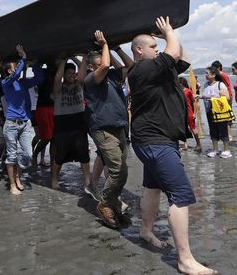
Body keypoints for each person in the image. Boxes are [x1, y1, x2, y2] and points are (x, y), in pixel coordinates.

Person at [128, 16, 215, 275]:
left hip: (153, 140)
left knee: (152, 187)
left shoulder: (159, 70)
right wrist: (167, 33)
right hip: (156, 141)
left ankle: (145, 231)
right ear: (140, 51)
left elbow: (182, 57)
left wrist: (173, 32)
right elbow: (173, 50)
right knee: (181, 196)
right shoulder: (142, 69)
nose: (158, 50)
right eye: (154, 47)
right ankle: (185, 260)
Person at [84, 30, 132, 227]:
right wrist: (104, 44)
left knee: (123, 172)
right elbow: (104, 64)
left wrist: (117, 48)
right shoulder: (90, 80)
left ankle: (113, 204)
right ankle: (105, 204)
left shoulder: (113, 76)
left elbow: (130, 66)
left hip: (120, 127)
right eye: (98, 66)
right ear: (90, 67)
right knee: (116, 169)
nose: (104, 67)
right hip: (102, 129)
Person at [0, 44, 43, 195]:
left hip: (25, 123)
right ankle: (13, 183)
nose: (17, 68)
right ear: (8, 70)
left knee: (27, 155)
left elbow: (39, 78)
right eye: (14, 66)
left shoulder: (23, 83)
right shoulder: (5, 83)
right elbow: (16, 73)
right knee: (12, 155)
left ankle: (17, 175)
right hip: (11, 124)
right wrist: (23, 58)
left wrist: (36, 64)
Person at [50, 56, 92, 193]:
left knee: (84, 154)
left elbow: (83, 71)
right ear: (64, 75)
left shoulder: (80, 84)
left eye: (73, 73)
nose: (72, 76)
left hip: (79, 122)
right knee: (60, 155)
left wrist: (77, 57)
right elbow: (57, 79)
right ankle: (55, 178)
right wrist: (63, 60)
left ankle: (87, 181)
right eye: (69, 73)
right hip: (63, 124)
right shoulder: (58, 88)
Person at [201, 67, 232, 158]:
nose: (206, 75)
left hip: (219, 111)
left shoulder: (220, 84)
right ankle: (215, 149)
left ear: (213, 75)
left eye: (207, 73)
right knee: (212, 130)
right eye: (205, 73)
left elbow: (227, 97)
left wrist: (212, 99)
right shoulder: (206, 84)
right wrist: (200, 96)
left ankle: (226, 150)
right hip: (209, 111)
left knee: (223, 130)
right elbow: (205, 96)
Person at [177, 76, 202, 153]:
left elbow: (193, 103)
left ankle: (198, 144)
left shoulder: (188, 91)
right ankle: (185, 145)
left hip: (189, 113)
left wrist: (194, 113)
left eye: (178, 83)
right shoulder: (177, 91)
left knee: (193, 129)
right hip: (180, 113)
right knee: (183, 129)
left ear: (182, 83)